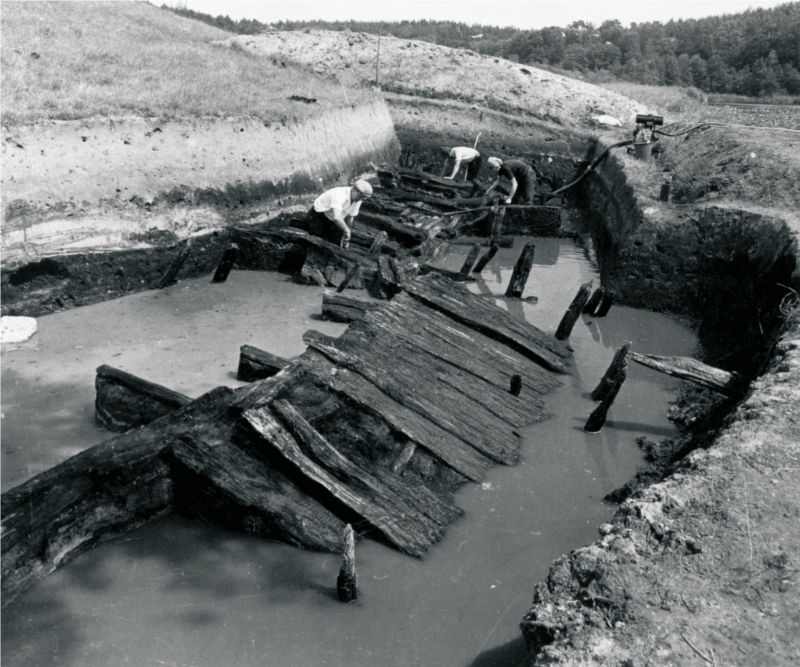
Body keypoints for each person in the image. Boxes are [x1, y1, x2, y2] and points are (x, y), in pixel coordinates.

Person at [307, 179, 373, 248]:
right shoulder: (340, 195)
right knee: (317, 243)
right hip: (319, 215)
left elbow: (350, 216)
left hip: (334, 218)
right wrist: (346, 230)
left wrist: (346, 234)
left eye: (363, 198)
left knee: (337, 244)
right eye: (360, 196)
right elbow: (337, 218)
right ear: (354, 189)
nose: (361, 199)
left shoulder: (358, 199)